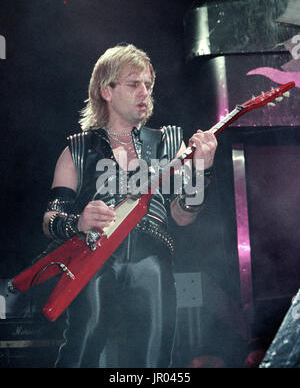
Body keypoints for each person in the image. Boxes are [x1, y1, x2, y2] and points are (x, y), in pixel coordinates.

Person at [42, 44, 217, 368]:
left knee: (156, 361)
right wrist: (77, 222)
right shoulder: (77, 149)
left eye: (149, 84)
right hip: (93, 259)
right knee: (79, 353)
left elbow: (182, 216)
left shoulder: (167, 142)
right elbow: (51, 216)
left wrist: (203, 171)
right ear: (106, 90)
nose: (144, 92)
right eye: (134, 83)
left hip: (152, 261)